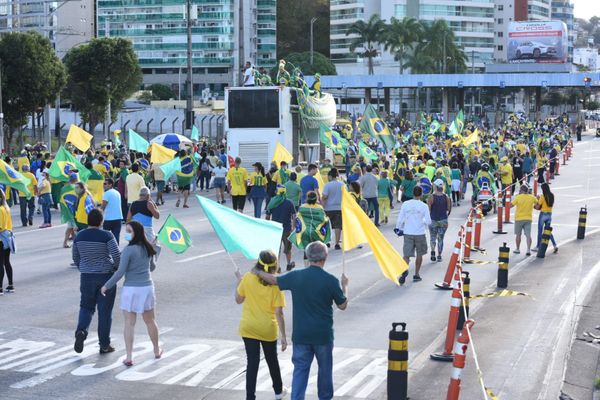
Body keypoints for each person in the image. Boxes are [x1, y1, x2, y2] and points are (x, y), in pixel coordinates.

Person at [254, 242, 348, 400]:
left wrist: (257, 270)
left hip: (301, 335)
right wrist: (345, 286)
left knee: (300, 372)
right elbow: (343, 305)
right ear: (325, 257)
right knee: (325, 371)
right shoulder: (331, 280)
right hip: (323, 335)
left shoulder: (296, 276)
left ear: (308, 256)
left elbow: (273, 280)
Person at [100, 220, 161, 366]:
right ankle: (156, 350)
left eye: (129, 231)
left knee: (129, 323)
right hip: (147, 287)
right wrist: (154, 251)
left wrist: (106, 286)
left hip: (131, 289)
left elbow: (120, 272)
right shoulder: (148, 248)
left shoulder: (128, 250)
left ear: (136, 233)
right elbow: (152, 268)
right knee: (150, 321)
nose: (126, 234)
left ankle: (129, 356)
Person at [234, 250, 287, 400]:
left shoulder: (248, 277)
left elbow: (238, 299)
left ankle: (250, 396)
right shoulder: (276, 284)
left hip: (248, 326)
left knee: (252, 362)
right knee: (272, 360)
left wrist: (239, 280)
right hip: (267, 328)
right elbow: (279, 313)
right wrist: (283, 336)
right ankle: (278, 391)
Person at [72, 208, 121, 354]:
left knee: (86, 307)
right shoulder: (107, 235)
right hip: (106, 276)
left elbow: (75, 257)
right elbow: (117, 256)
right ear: (101, 221)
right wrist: (114, 267)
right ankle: (104, 345)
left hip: (86, 276)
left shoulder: (79, 236)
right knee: (105, 312)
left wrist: (84, 267)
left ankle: (81, 331)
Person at [395, 186, 432, 284]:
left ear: (412, 193)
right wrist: (422, 220)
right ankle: (416, 274)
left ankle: (404, 270)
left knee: (406, 254)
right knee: (419, 254)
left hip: (408, 232)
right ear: (421, 194)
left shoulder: (406, 204)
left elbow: (400, 218)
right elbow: (428, 221)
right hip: (419, 232)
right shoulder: (424, 206)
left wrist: (397, 227)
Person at [267, 186, 296, 271]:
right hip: (286, 229)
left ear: (277, 192)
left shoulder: (272, 202)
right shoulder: (289, 202)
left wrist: (268, 226)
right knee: (288, 249)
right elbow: (294, 215)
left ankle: (277, 267)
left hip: (275, 229)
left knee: (276, 249)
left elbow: (268, 216)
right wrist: (294, 226)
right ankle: (288, 264)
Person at [428, 179, 451, 262]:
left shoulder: (431, 197)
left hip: (433, 219)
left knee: (432, 237)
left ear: (435, 187)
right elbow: (448, 209)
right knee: (441, 238)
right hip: (443, 220)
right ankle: (439, 255)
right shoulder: (446, 197)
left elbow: (429, 209)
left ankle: (433, 251)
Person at [511, 184, 538, 256]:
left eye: (520, 190)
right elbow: (538, 205)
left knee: (518, 235)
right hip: (528, 219)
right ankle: (528, 250)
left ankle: (517, 249)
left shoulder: (518, 197)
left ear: (522, 190)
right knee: (528, 235)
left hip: (518, 219)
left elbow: (510, 205)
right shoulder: (532, 197)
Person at [533, 182, 558, 254]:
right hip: (549, 215)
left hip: (543, 214)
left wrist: (537, 201)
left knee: (540, 231)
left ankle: (538, 246)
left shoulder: (542, 196)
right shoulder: (552, 195)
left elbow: (537, 206)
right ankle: (554, 245)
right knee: (548, 231)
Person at [321, 168, 343, 250]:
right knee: (338, 226)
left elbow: (325, 197)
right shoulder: (342, 185)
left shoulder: (327, 185)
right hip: (339, 208)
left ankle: (327, 242)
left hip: (328, 208)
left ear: (330, 176)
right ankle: (337, 243)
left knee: (327, 226)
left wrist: (322, 203)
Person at [0, 188, 15, 295]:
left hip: (1, 238)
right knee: (7, 262)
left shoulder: (0, 209)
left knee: (0, 263)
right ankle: (10, 284)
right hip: (8, 237)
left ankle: (0, 287)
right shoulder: (6, 207)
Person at [101, 178, 123, 244]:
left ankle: (105, 252)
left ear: (110, 185)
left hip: (109, 218)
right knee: (116, 237)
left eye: (105, 184)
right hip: (118, 218)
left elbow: (103, 207)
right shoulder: (117, 192)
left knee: (105, 237)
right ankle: (116, 252)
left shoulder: (106, 193)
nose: (103, 185)